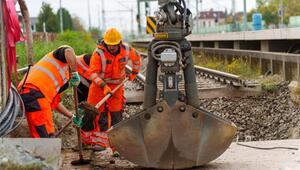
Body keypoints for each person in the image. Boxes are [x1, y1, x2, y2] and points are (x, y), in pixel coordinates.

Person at [81, 28, 141, 150]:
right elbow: (92, 74)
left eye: (114, 45)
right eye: (109, 45)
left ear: (119, 43)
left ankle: (115, 145)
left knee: (116, 114)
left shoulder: (127, 50)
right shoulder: (99, 53)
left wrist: (134, 72)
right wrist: (104, 87)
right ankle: (87, 141)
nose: (112, 47)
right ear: (105, 43)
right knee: (93, 113)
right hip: (99, 86)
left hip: (116, 87)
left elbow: (137, 59)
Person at [18, 45, 81, 138]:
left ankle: (42, 151)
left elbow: (55, 103)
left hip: (28, 94)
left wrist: (71, 116)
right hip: (35, 92)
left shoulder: (60, 78)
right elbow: (68, 50)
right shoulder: (61, 59)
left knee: (39, 135)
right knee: (46, 135)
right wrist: (75, 72)